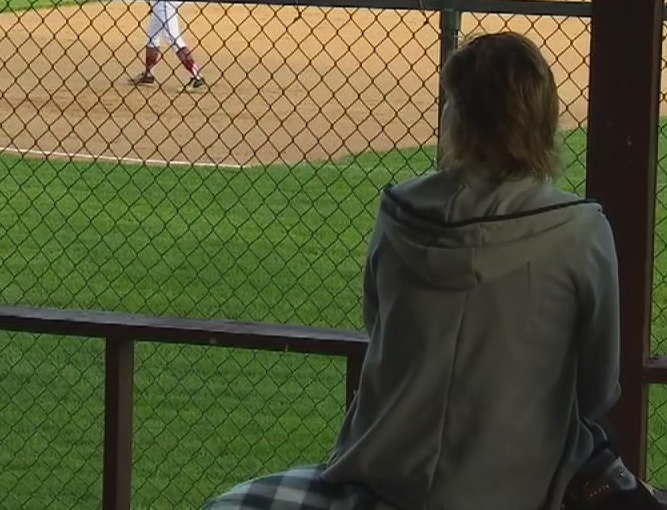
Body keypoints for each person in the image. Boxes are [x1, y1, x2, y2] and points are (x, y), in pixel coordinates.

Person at [202, 33, 637, 510]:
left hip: (379, 474)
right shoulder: (580, 230)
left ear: (459, 118)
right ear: (540, 118)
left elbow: (377, 325)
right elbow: (598, 388)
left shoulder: (398, 211)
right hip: (516, 489)